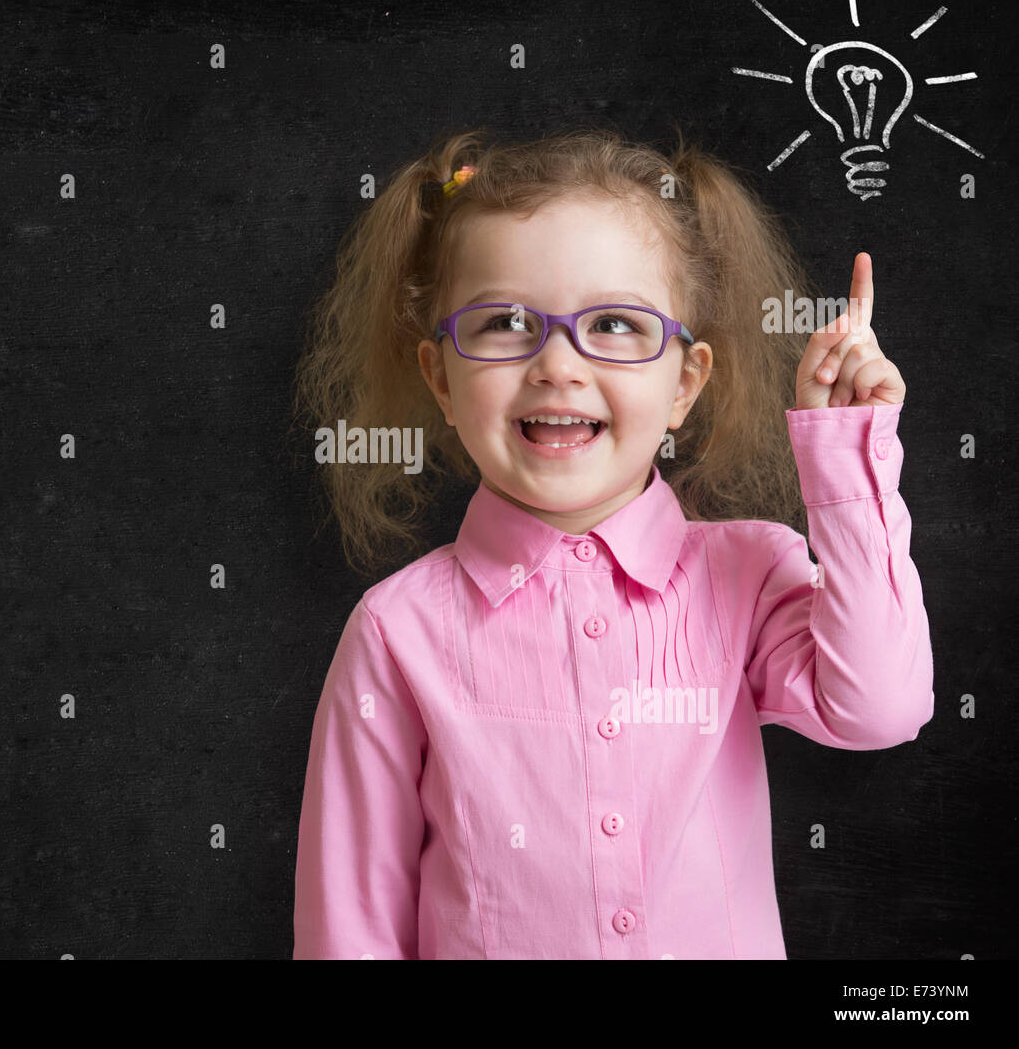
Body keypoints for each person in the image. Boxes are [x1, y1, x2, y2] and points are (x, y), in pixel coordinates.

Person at [289, 125, 933, 959]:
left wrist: (845, 452)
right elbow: (351, 928)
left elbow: (880, 706)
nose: (559, 365)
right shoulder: (395, 630)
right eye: (505, 321)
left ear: (685, 383)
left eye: (620, 325)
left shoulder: (747, 572)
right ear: (441, 378)